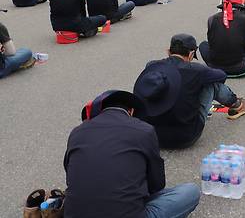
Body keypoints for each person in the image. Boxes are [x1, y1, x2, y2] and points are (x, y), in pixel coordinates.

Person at [63, 90, 200, 218]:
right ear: (131, 111)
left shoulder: (77, 132)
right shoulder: (144, 130)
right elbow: (157, 185)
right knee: (190, 192)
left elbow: (70, 177)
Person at [133, 34, 245, 149]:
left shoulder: (152, 66)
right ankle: (236, 104)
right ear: (191, 54)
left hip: (151, 136)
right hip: (186, 136)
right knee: (210, 83)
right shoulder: (196, 70)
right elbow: (221, 76)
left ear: (168, 51)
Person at [199, 0, 245, 77]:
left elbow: (211, 43)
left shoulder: (212, 18)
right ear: (240, 8)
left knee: (203, 45)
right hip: (238, 67)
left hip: (214, 65)